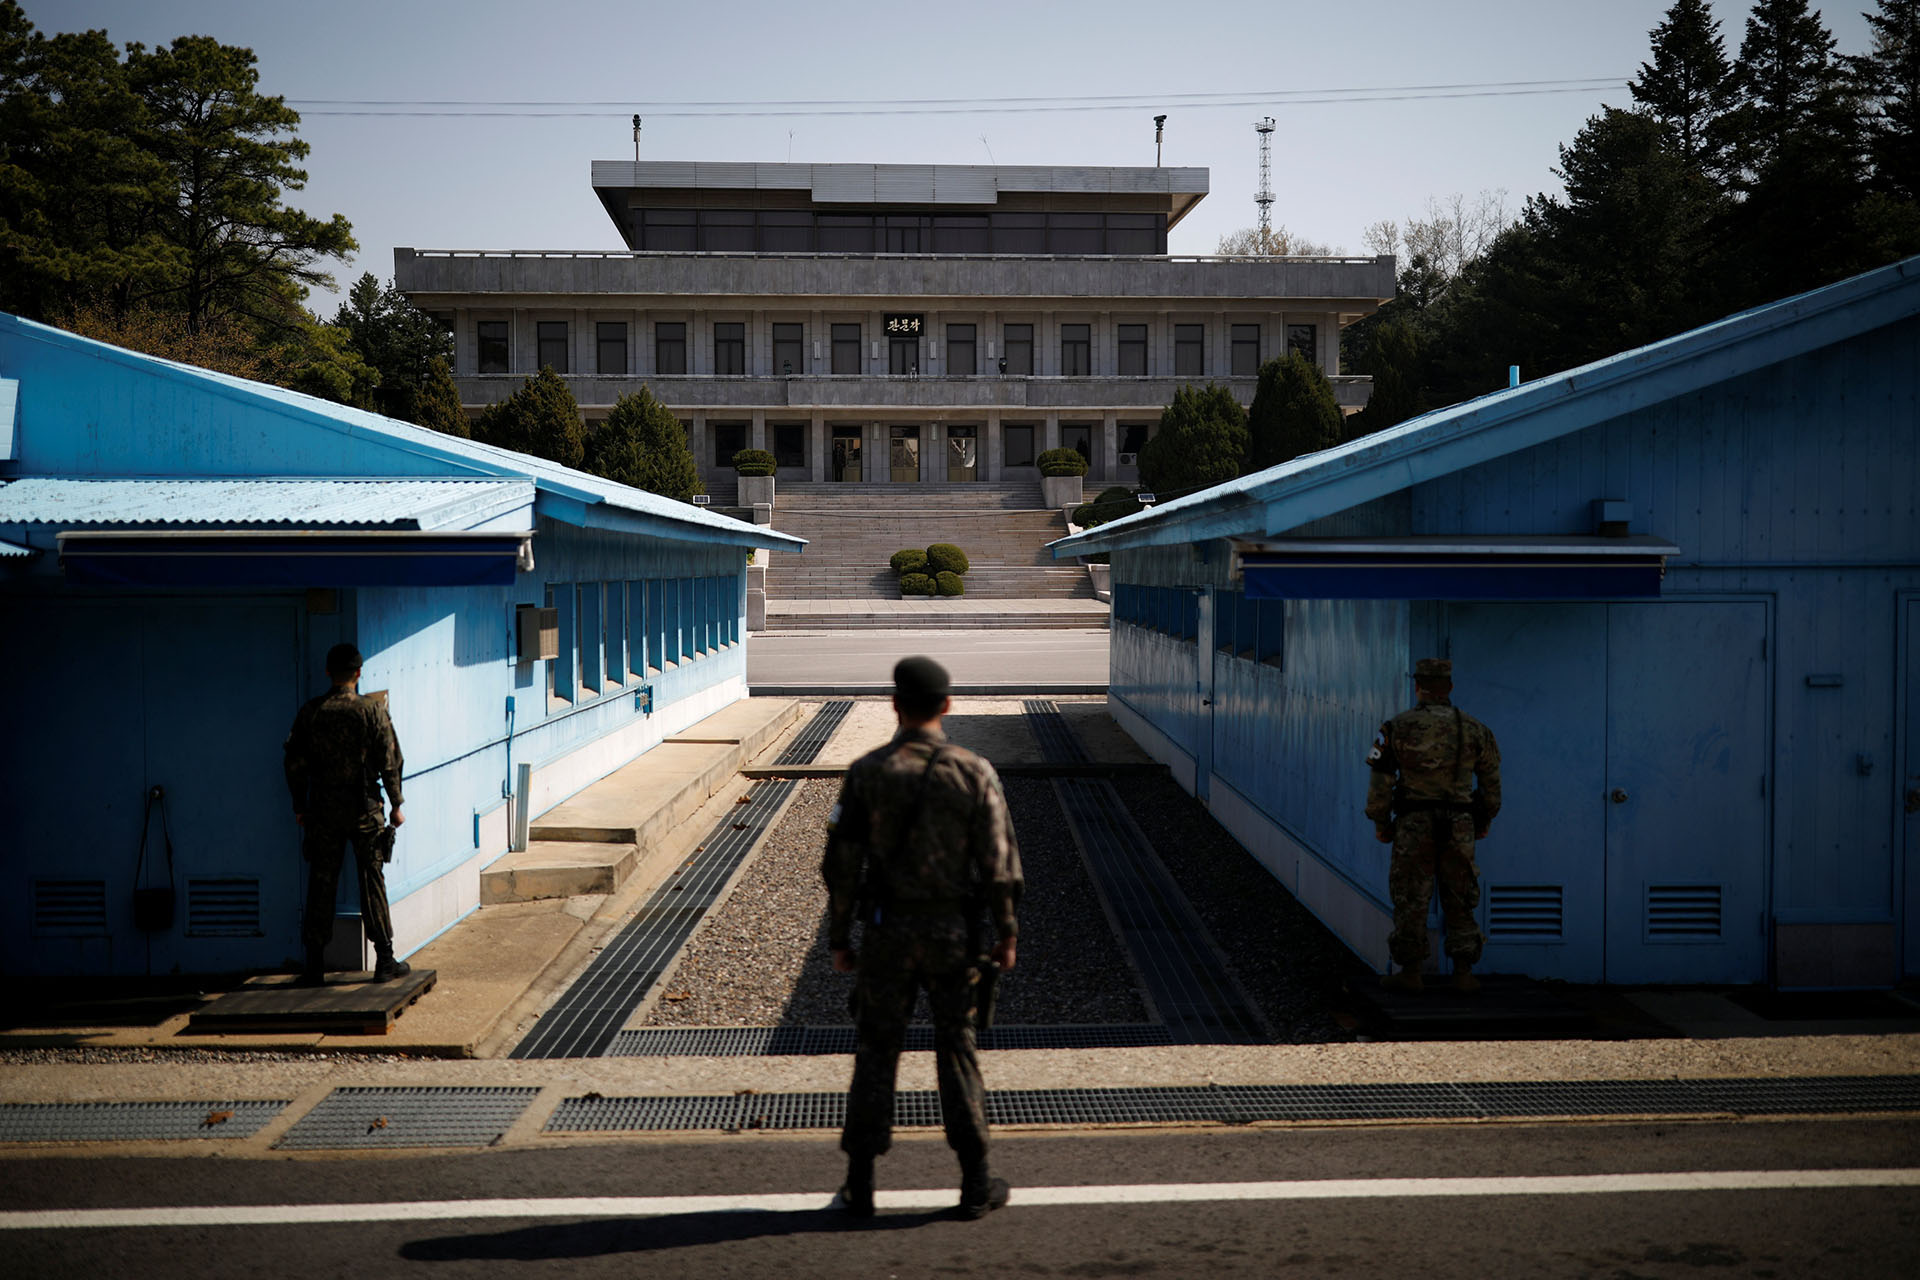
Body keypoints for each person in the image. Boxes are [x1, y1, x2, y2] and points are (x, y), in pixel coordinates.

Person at [821, 656, 1022, 1220]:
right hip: (953, 934)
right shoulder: (973, 770)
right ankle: (975, 1181)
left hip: (886, 933)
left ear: (895, 706)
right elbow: (1000, 863)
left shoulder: (866, 772)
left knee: (877, 1048)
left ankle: (860, 1184)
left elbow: (841, 864)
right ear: (947, 705)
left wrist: (840, 936)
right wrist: (1006, 933)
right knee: (957, 1045)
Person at [1364, 657, 1501, 995]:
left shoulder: (1395, 727)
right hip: (1459, 824)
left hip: (1414, 824)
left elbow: (1380, 786)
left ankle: (1411, 972)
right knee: (1460, 894)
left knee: (1411, 896)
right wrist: (1481, 821)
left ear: (1417, 686)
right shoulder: (1475, 729)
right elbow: (1491, 787)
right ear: (1450, 687)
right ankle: (1464, 972)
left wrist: (1382, 824)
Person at [283, 643, 409, 985]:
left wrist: (300, 806)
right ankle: (384, 959)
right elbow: (389, 760)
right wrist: (396, 804)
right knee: (372, 879)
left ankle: (314, 966)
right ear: (358, 672)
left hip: (323, 812)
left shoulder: (311, 712)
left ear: (327, 672)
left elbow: (294, 763)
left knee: (321, 883)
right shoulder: (372, 711)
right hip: (365, 811)